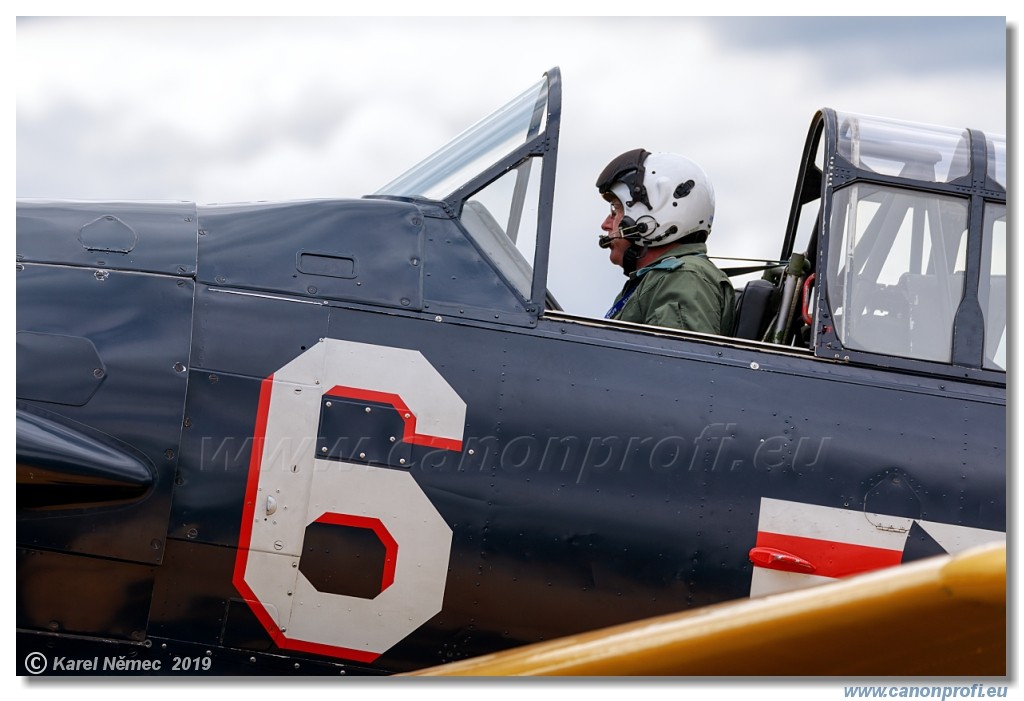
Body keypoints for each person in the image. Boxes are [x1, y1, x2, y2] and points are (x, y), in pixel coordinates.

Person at [596, 148, 735, 335]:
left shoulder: (683, 278)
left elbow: (676, 362)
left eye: (616, 211)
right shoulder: (655, 280)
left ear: (653, 216)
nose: (605, 225)